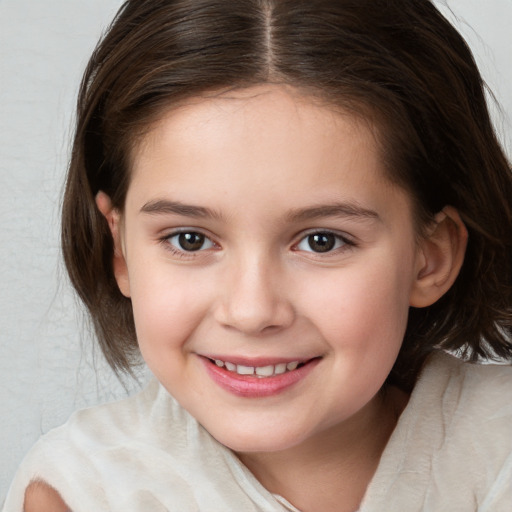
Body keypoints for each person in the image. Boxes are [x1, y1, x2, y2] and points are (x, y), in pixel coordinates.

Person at [3, 0, 512, 510]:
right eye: (190, 239)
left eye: (322, 241)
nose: (251, 311)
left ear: (430, 257)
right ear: (122, 251)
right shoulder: (79, 494)